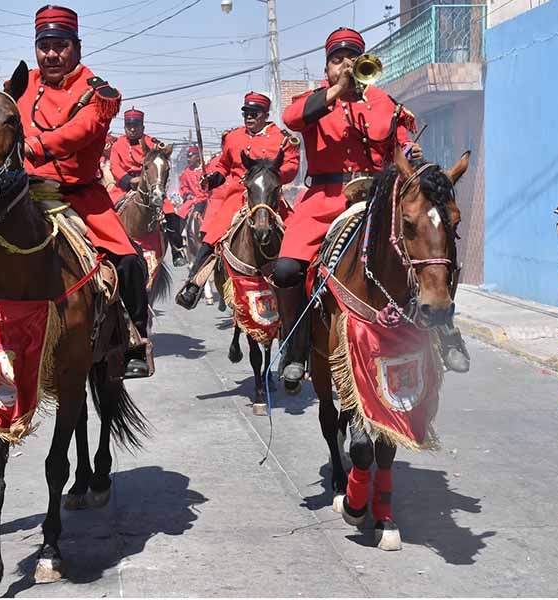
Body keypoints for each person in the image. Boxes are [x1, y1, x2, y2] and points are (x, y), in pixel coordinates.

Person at [0, 4, 153, 389]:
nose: (51, 54)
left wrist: (38, 147)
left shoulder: (98, 92)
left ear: (76, 48)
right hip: (23, 193)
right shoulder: (20, 86)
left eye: (60, 45)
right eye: (44, 46)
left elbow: (81, 131)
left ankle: (132, 344)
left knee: (128, 261)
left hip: (79, 195)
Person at [272, 28, 470, 387]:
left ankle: (445, 330)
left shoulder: (384, 103)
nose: (345, 65)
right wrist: (335, 92)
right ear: (328, 66)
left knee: (433, 243)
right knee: (286, 270)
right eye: (336, 60)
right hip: (323, 201)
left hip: (379, 201)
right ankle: (296, 346)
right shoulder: (314, 99)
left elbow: (402, 142)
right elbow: (291, 119)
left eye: (352, 59)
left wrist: (410, 152)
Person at [176, 91, 300, 309]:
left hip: (267, 198)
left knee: (295, 233)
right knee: (211, 238)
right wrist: (214, 177)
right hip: (236, 197)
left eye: (254, 113)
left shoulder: (281, 139)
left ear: (265, 114)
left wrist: (272, 176)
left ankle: (303, 283)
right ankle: (194, 284)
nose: (249, 118)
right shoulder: (233, 137)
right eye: (246, 114)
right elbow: (223, 165)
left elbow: (291, 165)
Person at [110, 108, 187, 267]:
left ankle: (176, 250)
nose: (132, 129)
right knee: (107, 210)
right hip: (124, 187)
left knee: (170, 212)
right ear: (125, 127)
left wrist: (163, 150)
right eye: (129, 125)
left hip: (150, 184)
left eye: (136, 125)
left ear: (142, 127)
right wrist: (130, 180)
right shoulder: (117, 145)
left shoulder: (152, 143)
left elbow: (161, 159)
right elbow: (115, 167)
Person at [177, 145, 208, 220]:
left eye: (191, 156)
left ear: (197, 157)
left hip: (207, 198)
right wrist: (188, 194)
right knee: (181, 214)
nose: (188, 159)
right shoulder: (186, 172)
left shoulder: (206, 169)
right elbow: (183, 187)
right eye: (188, 157)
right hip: (193, 199)